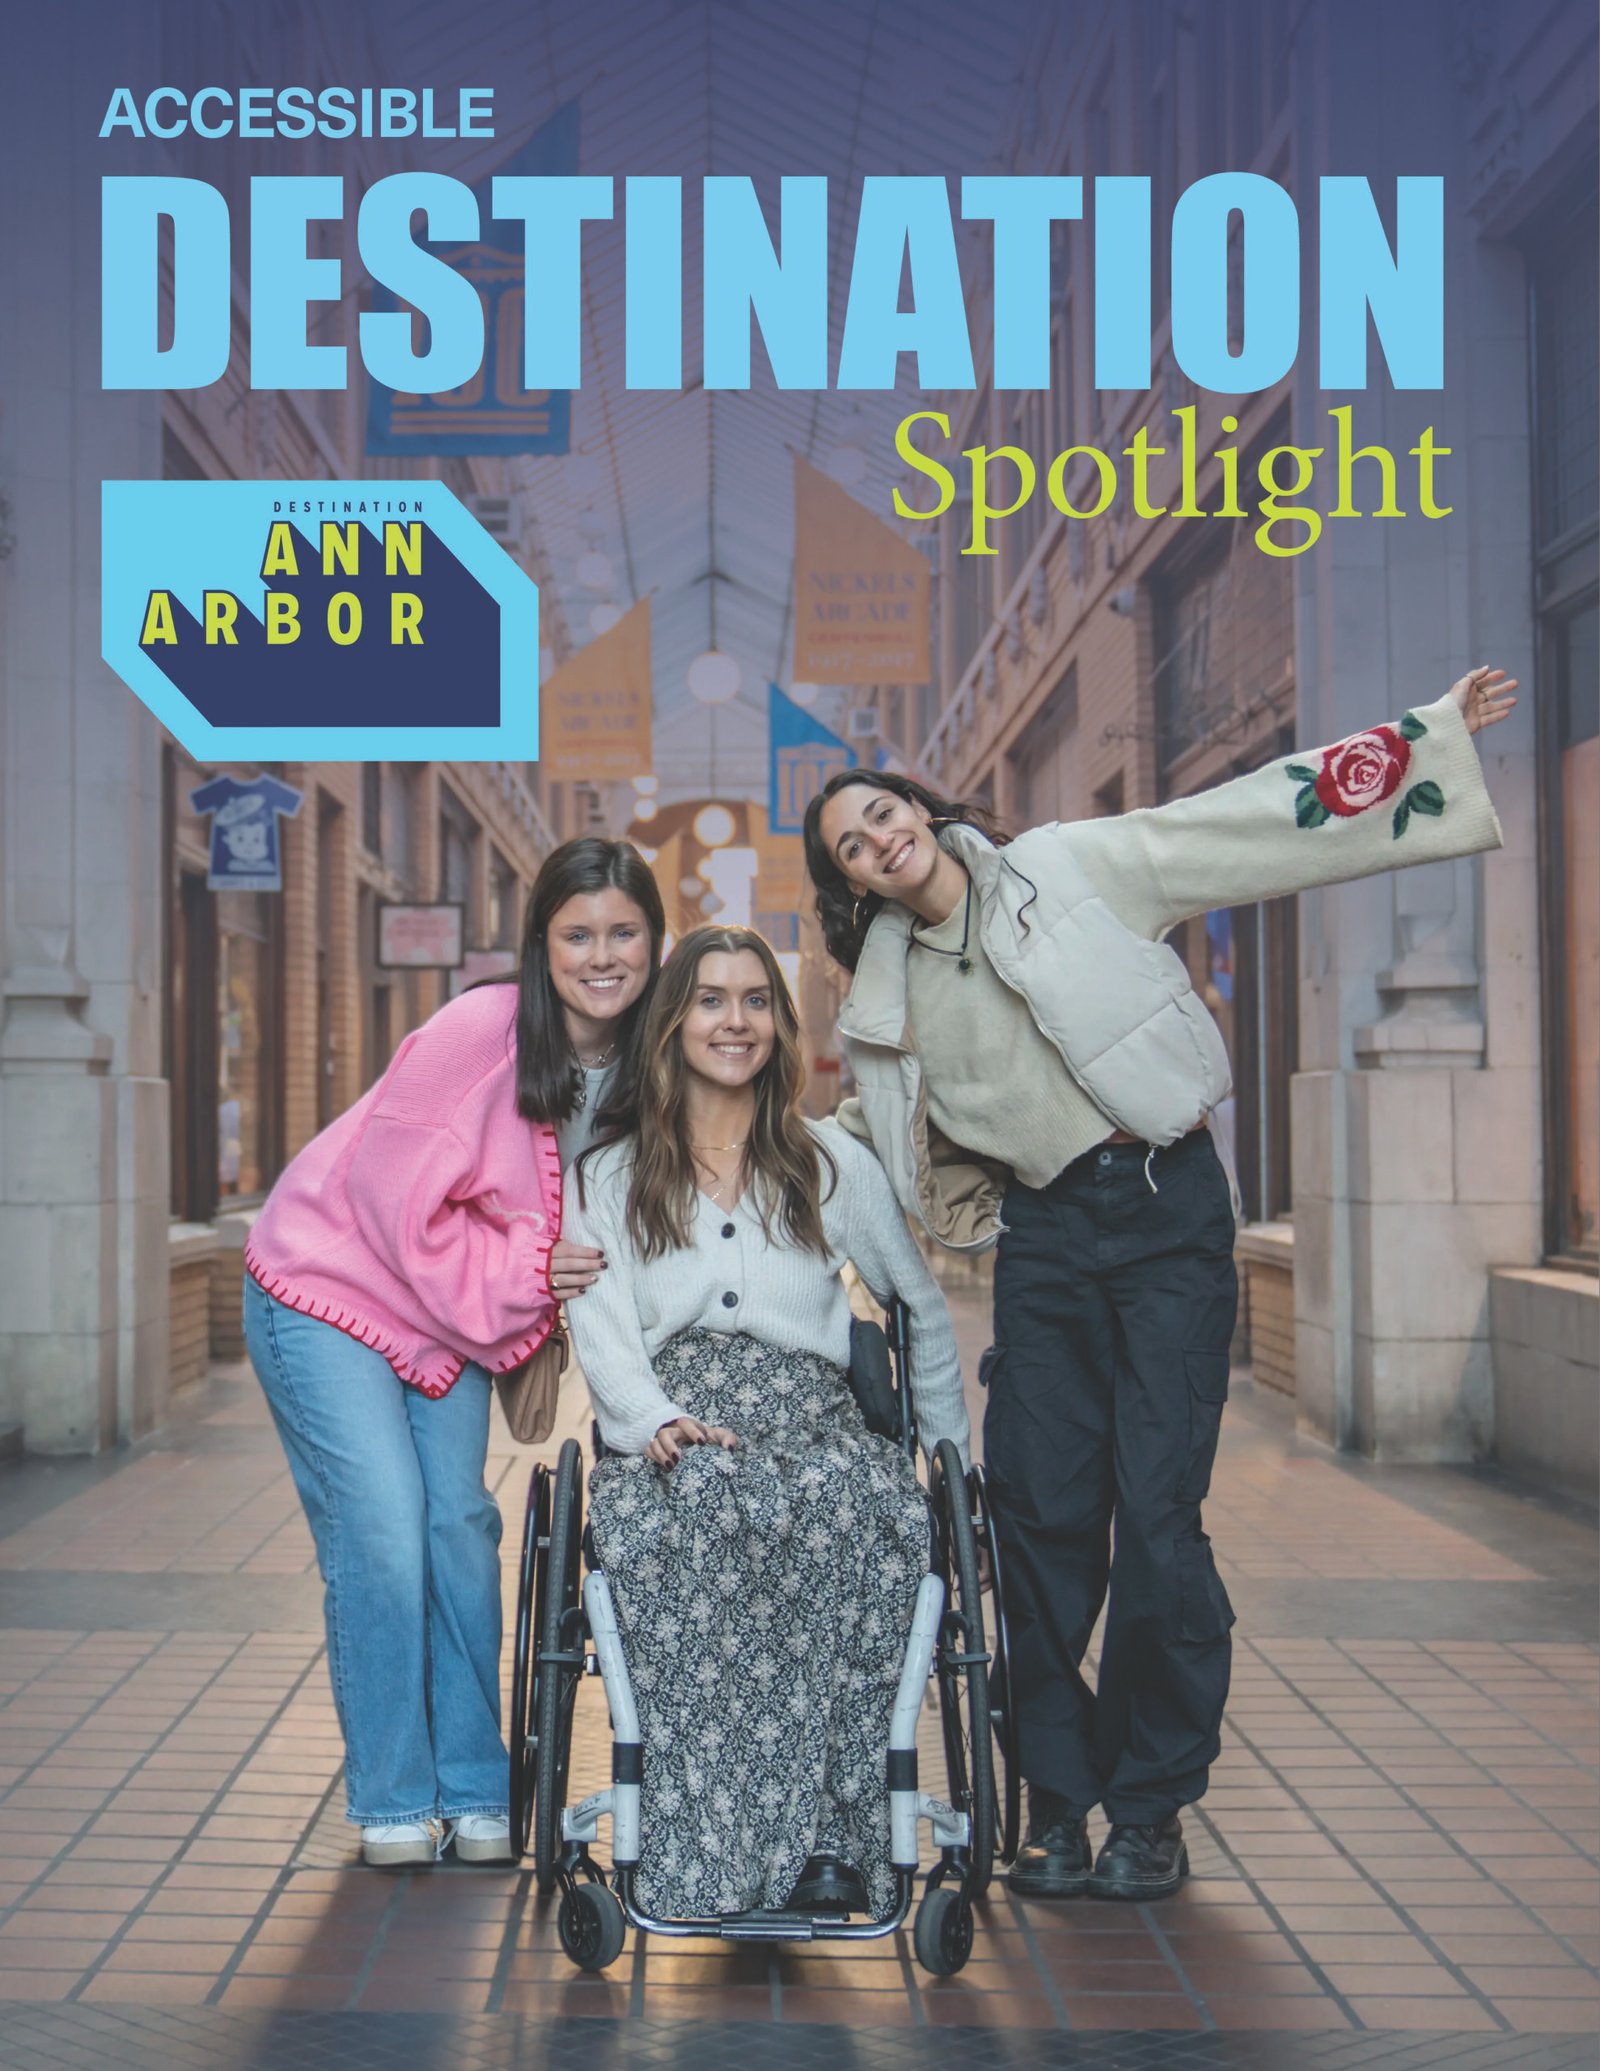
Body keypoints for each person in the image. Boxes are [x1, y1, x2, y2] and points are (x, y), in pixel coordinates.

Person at [804, 667, 1516, 1903]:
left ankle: (1150, 1803)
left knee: (1160, 1523)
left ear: (916, 804)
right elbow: (866, 1131)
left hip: (1166, 1211)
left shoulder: (1073, 863)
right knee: (1038, 1522)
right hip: (1042, 1243)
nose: (880, 839)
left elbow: (1242, 822)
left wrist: (1420, 742)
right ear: (850, 881)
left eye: (883, 811)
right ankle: (1057, 1800)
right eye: (853, 845)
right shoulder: (884, 996)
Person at [243, 838, 664, 1867]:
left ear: (656, 941)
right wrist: (534, 1260)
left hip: (452, 1314)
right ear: (542, 943)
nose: (600, 955)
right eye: (577, 934)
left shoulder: (645, 1067)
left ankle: (475, 1784)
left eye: (622, 932)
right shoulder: (480, 1027)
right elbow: (393, 1195)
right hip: (328, 1283)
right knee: (383, 1527)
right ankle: (394, 1794)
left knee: (459, 1527)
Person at [565, 925, 970, 1921]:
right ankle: (713, 1852)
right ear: (671, 1023)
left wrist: (950, 1461)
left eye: (754, 999)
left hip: (817, 1418)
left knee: (862, 1518)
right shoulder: (612, 1174)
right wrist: (652, 1417)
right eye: (709, 998)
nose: (733, 1020)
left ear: (780, 1026)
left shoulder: (830, 1160)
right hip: (675, 1424)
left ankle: (834, 1844)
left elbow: (915, 1304)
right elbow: (599, 1317)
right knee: (705, 1510)